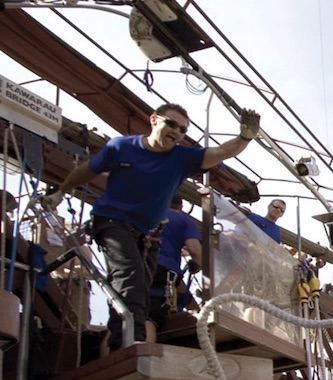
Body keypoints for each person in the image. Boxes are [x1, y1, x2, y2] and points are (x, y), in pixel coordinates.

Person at [46, 102, 259, 350]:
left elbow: (222, 152)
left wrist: (245, 137)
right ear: (154, 120)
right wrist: (61, 191)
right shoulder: (121, 147)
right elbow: (87, 170)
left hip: (148, 234)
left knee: (137, 290)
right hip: (112, 221)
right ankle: (131, 344)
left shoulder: (182, 158)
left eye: (182, 130)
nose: (177, 132)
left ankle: (118, 343)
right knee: (129, 276)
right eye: (171, 124)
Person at [148, 195, 202, 338]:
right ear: (180, 207)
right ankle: (143, 357)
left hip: (133, 264)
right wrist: (198, 264)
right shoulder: (183, 220)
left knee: (119, 320)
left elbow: (180, 288)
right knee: (150, 318)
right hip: (161, 269)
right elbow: (195, 249)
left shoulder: (147, 213)